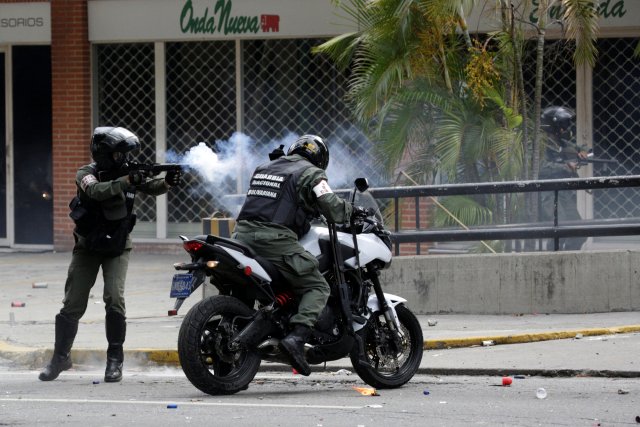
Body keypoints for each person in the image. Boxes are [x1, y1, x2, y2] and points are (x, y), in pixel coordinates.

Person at [39, 126, 183, 383]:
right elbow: (96, 191)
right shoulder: (86, 173)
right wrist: (127, 181)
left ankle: (115, 361)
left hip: (117, 246)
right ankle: (60, 358)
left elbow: (152, 186)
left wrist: (167, 182)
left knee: (114, 298)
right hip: (88, 247)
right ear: (104, 154)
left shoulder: (127, 172)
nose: (124, 160)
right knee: (73, 303)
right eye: (119, 155)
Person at [232, 134, 353, 376]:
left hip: (241, 237)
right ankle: (296, 338)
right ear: (320, 158)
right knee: (317, 286)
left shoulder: (264, 168)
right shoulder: (311, 173)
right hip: (273, 240)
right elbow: (330, 205)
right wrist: (352, 211)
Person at [538, 106, 588, 250]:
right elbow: (540, 168)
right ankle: (553, 262)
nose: (565, 128)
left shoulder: (560, 142)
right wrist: (565, 167)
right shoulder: (540, 144)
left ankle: (567, 259)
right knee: (560, 232)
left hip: (564, 195)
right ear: (554, 125)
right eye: (563, 125)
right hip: (549, 195)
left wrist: (583, 152)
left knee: (580, 232)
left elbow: (580, 147)